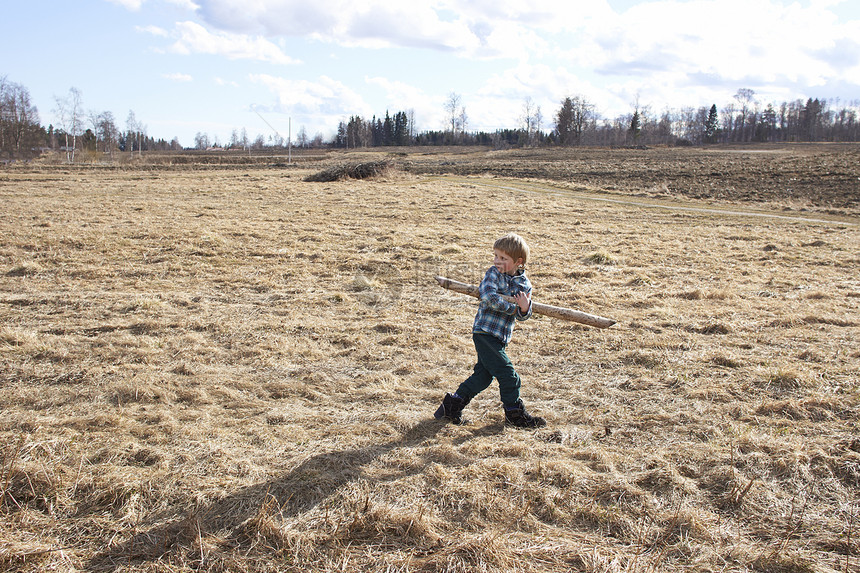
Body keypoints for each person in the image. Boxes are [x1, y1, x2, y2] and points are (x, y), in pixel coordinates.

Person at [434, 233, 546, 429]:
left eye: (503, 258)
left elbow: (522, 316)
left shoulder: (524, 284)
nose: (497, 261)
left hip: (501, 337)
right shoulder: (493, 274)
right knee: (509, 375)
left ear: (518, 262)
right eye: (496, 256)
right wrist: (514, 308)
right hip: (485, 333)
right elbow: (488, 297)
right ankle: (515, 415)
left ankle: (450, 407)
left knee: (483, 377)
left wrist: (525, 308)